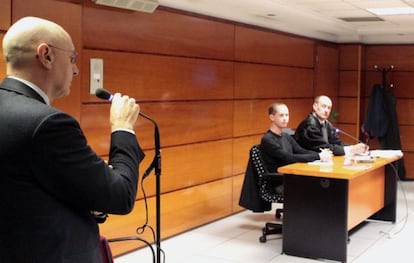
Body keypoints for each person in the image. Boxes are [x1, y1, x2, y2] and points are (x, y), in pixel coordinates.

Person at [0, 17, 145, 262]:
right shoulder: (49, 125)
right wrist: (122, 128)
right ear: (46, 55)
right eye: (72, 59)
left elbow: (23, 189)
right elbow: (121, 196)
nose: (76, 70)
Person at [260, 102, 332, 173]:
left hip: (291, 173)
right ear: (272, 117)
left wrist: (321, 153)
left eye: (287, 115)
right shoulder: (268, 139)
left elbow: (301, 151)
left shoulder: (286, 135)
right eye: (281, 115)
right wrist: (318, 156)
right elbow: (289, 157)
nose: (285, 118)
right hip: (279, 178)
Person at [294, 95, 368, 156]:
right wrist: (351, 149)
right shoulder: (309, 125)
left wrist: (355, 148)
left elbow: (337, 142)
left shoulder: (326, 124)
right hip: (304, 164)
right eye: (323, 106)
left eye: (329, 108)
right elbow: (324, 147)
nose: (326, 110)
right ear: (315, 106)